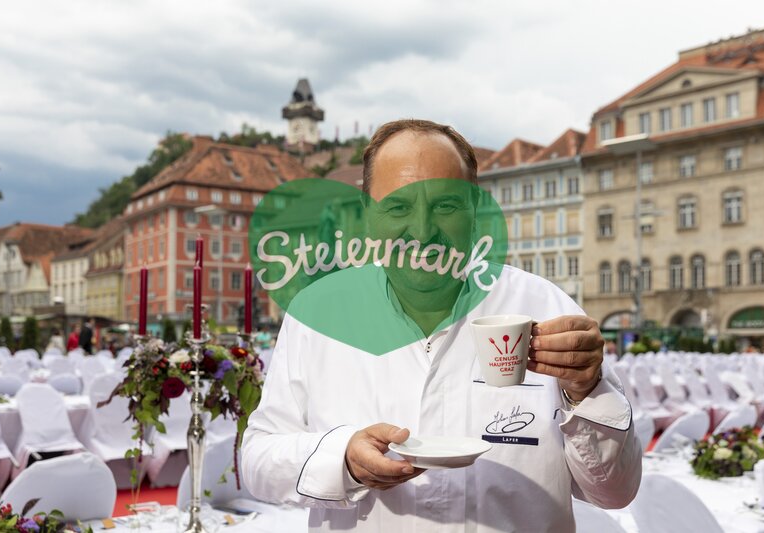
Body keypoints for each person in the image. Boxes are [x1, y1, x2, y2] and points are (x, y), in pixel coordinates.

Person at [241, 119, 642, 532]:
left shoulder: (545, 306)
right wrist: (342, 458)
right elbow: (257, 460)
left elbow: (614, 492)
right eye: (398, 207)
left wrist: (587, 393)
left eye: (446, 205)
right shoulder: (319, 315)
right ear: (367, 216)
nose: (421, 230)